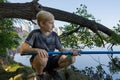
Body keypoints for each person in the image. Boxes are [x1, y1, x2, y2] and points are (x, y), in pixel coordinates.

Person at [20, 10, 79, 80]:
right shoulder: (35, 33)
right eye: (51, 23)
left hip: (51, 60)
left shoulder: (54, 35)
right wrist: (37, 50)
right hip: (39, 61)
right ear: (42, 23)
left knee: (71, 58)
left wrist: (70, 51)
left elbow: (61, 49)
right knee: (43, 57)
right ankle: (39, 74)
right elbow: (22, 50)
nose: (53, 26)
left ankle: (52, 70)